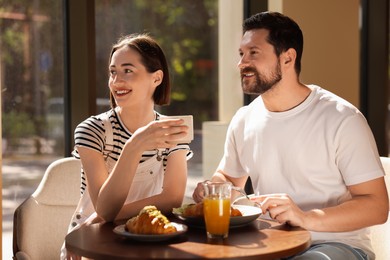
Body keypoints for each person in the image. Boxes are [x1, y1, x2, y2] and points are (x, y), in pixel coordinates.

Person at [192, 12, 388, 260]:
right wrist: (214, 188)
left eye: (254, 52)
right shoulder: (244, 119)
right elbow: (228, 177)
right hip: (270, 244)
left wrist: (305, 218)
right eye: (241, 54)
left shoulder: (342, 118)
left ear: (288, 58)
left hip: (333, 246)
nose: (242, 63)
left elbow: (376, 207)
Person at [61, 33, 192, 259]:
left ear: (157, 78)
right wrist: (134, 146)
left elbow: (172, 199)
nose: (116, 81)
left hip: (148, 240)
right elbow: (105, 207)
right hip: (92, 243)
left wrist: (107, 216)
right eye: (113, 72)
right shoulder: (91, 130)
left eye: (127, 71)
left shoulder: (172, 129)